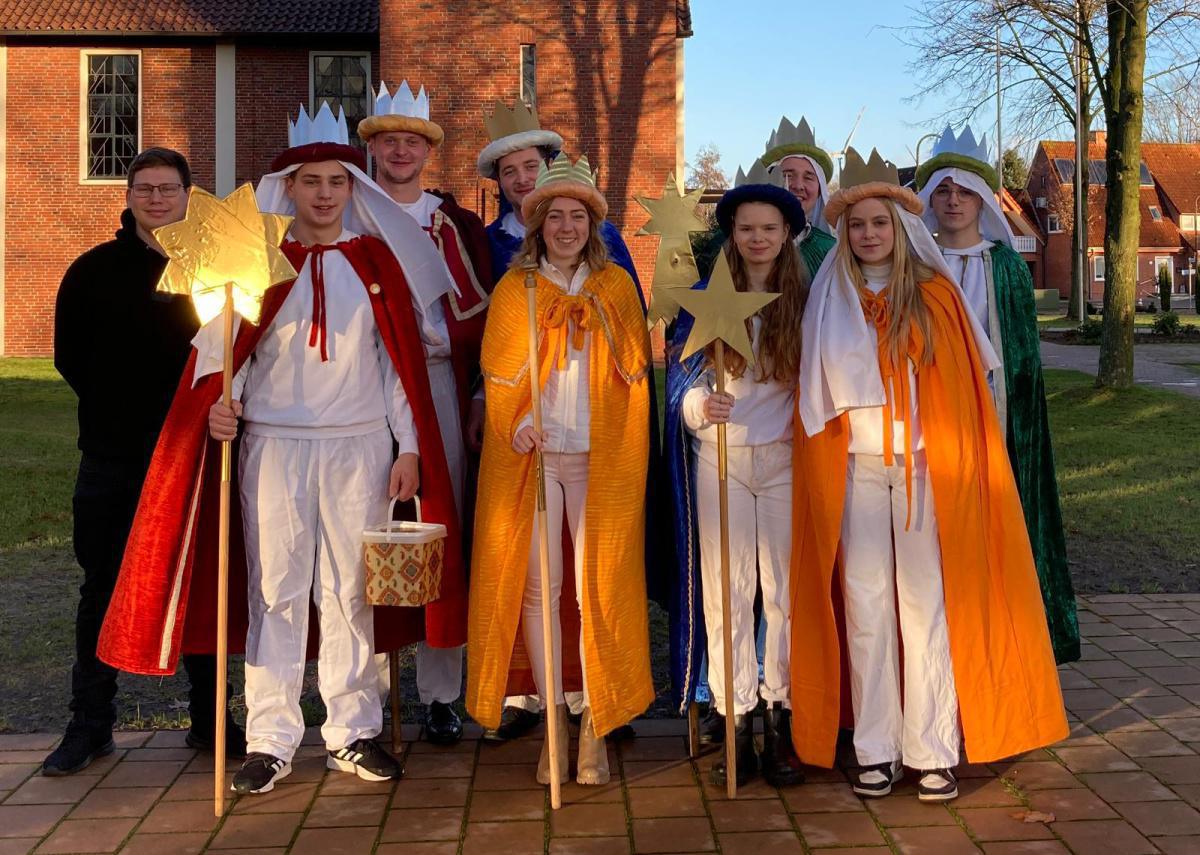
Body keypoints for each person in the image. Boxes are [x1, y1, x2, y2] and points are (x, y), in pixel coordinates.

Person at [97, 103, 464, 795]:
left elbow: (396, 366)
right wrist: (219, 410)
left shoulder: (374, 261)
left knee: (351, 592)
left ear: (353, 189)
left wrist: (409, 446)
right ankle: (270, 737)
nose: (325, 193)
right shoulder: (255, 263)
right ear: (288, 189)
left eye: (336, 181)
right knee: (275, 590)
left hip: (358, 447)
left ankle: (352, 731)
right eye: (310, 181)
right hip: (273, 446)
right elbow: (224, 353)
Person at [791, 148, 1068, 803]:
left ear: (899, 227)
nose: (867, 235)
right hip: (857, 469)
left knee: (924, 608)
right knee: (865, 610)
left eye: (878, 224)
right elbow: (813, 388)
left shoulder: (937, 295)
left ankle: (933, 747)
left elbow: (967, 390)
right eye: (856, 225)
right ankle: (876, 748)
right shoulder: (830, 293)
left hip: (921, 470)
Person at [46, 148, 245, 775]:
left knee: (200, 581)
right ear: (129, 195)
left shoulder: (217, 272)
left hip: (196, 453)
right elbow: (69, 357)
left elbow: (235, 354)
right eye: (144, 189)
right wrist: (128, 415)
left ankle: (212, 719)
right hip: (114, 454)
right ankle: (90, 723)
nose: (156, 199)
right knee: (102, 586)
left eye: (168, 189)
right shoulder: (92, 271)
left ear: (189, 195)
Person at [475, 101, 663, 742]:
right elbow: (500, 375)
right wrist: (515, 420)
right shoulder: (516, 289)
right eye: (553, 216)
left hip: (597, 457)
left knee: (596, 584)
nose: (564, 225)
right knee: (536, 587)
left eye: (576, 215)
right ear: (537, 224)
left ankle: (595, 712)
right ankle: (551, 707)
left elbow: (636, 373)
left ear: (592, 223)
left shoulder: (612, 290)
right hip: (536, 455)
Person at [358, 80, 495, 745]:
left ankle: (442, 691)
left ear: (428, 151)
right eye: (389, 141)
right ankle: (367, 694)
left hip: (438, 383)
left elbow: (487, 323)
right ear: (373, 148)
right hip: (360, 391)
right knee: (366, 527)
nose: (401, 151)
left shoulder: (455, 224)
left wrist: (476, 394)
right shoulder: (347, 211)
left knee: (442, 527)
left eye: (412, 141)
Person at [915, 125, 1080, 664]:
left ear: (983, 199)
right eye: (943, 190)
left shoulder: (1006, 267)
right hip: (928, 423)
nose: (953, 201)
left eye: (964, 191)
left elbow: (1021, 361)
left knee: (990, 536)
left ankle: (997, 647)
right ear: (930, 199)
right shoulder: (916, 268)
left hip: (992, 420)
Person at [665, 183, 809, 788]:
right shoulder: (705, 301)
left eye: (768, 229)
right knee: (727, 591)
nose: (757, 238)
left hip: (781, 461)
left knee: (781, 594)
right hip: (720, 461)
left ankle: (780, 718)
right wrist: (699, 405)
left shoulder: (806, 299)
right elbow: (676, 384)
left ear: (785, 235)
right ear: (732, 233)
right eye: (746, 228)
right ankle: (735, 718)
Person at [762, 116, 837, 268]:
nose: (798, 186)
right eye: (787, 176)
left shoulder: (832, 250)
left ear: (820, 190)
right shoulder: (740, 242)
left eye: (809, 178)